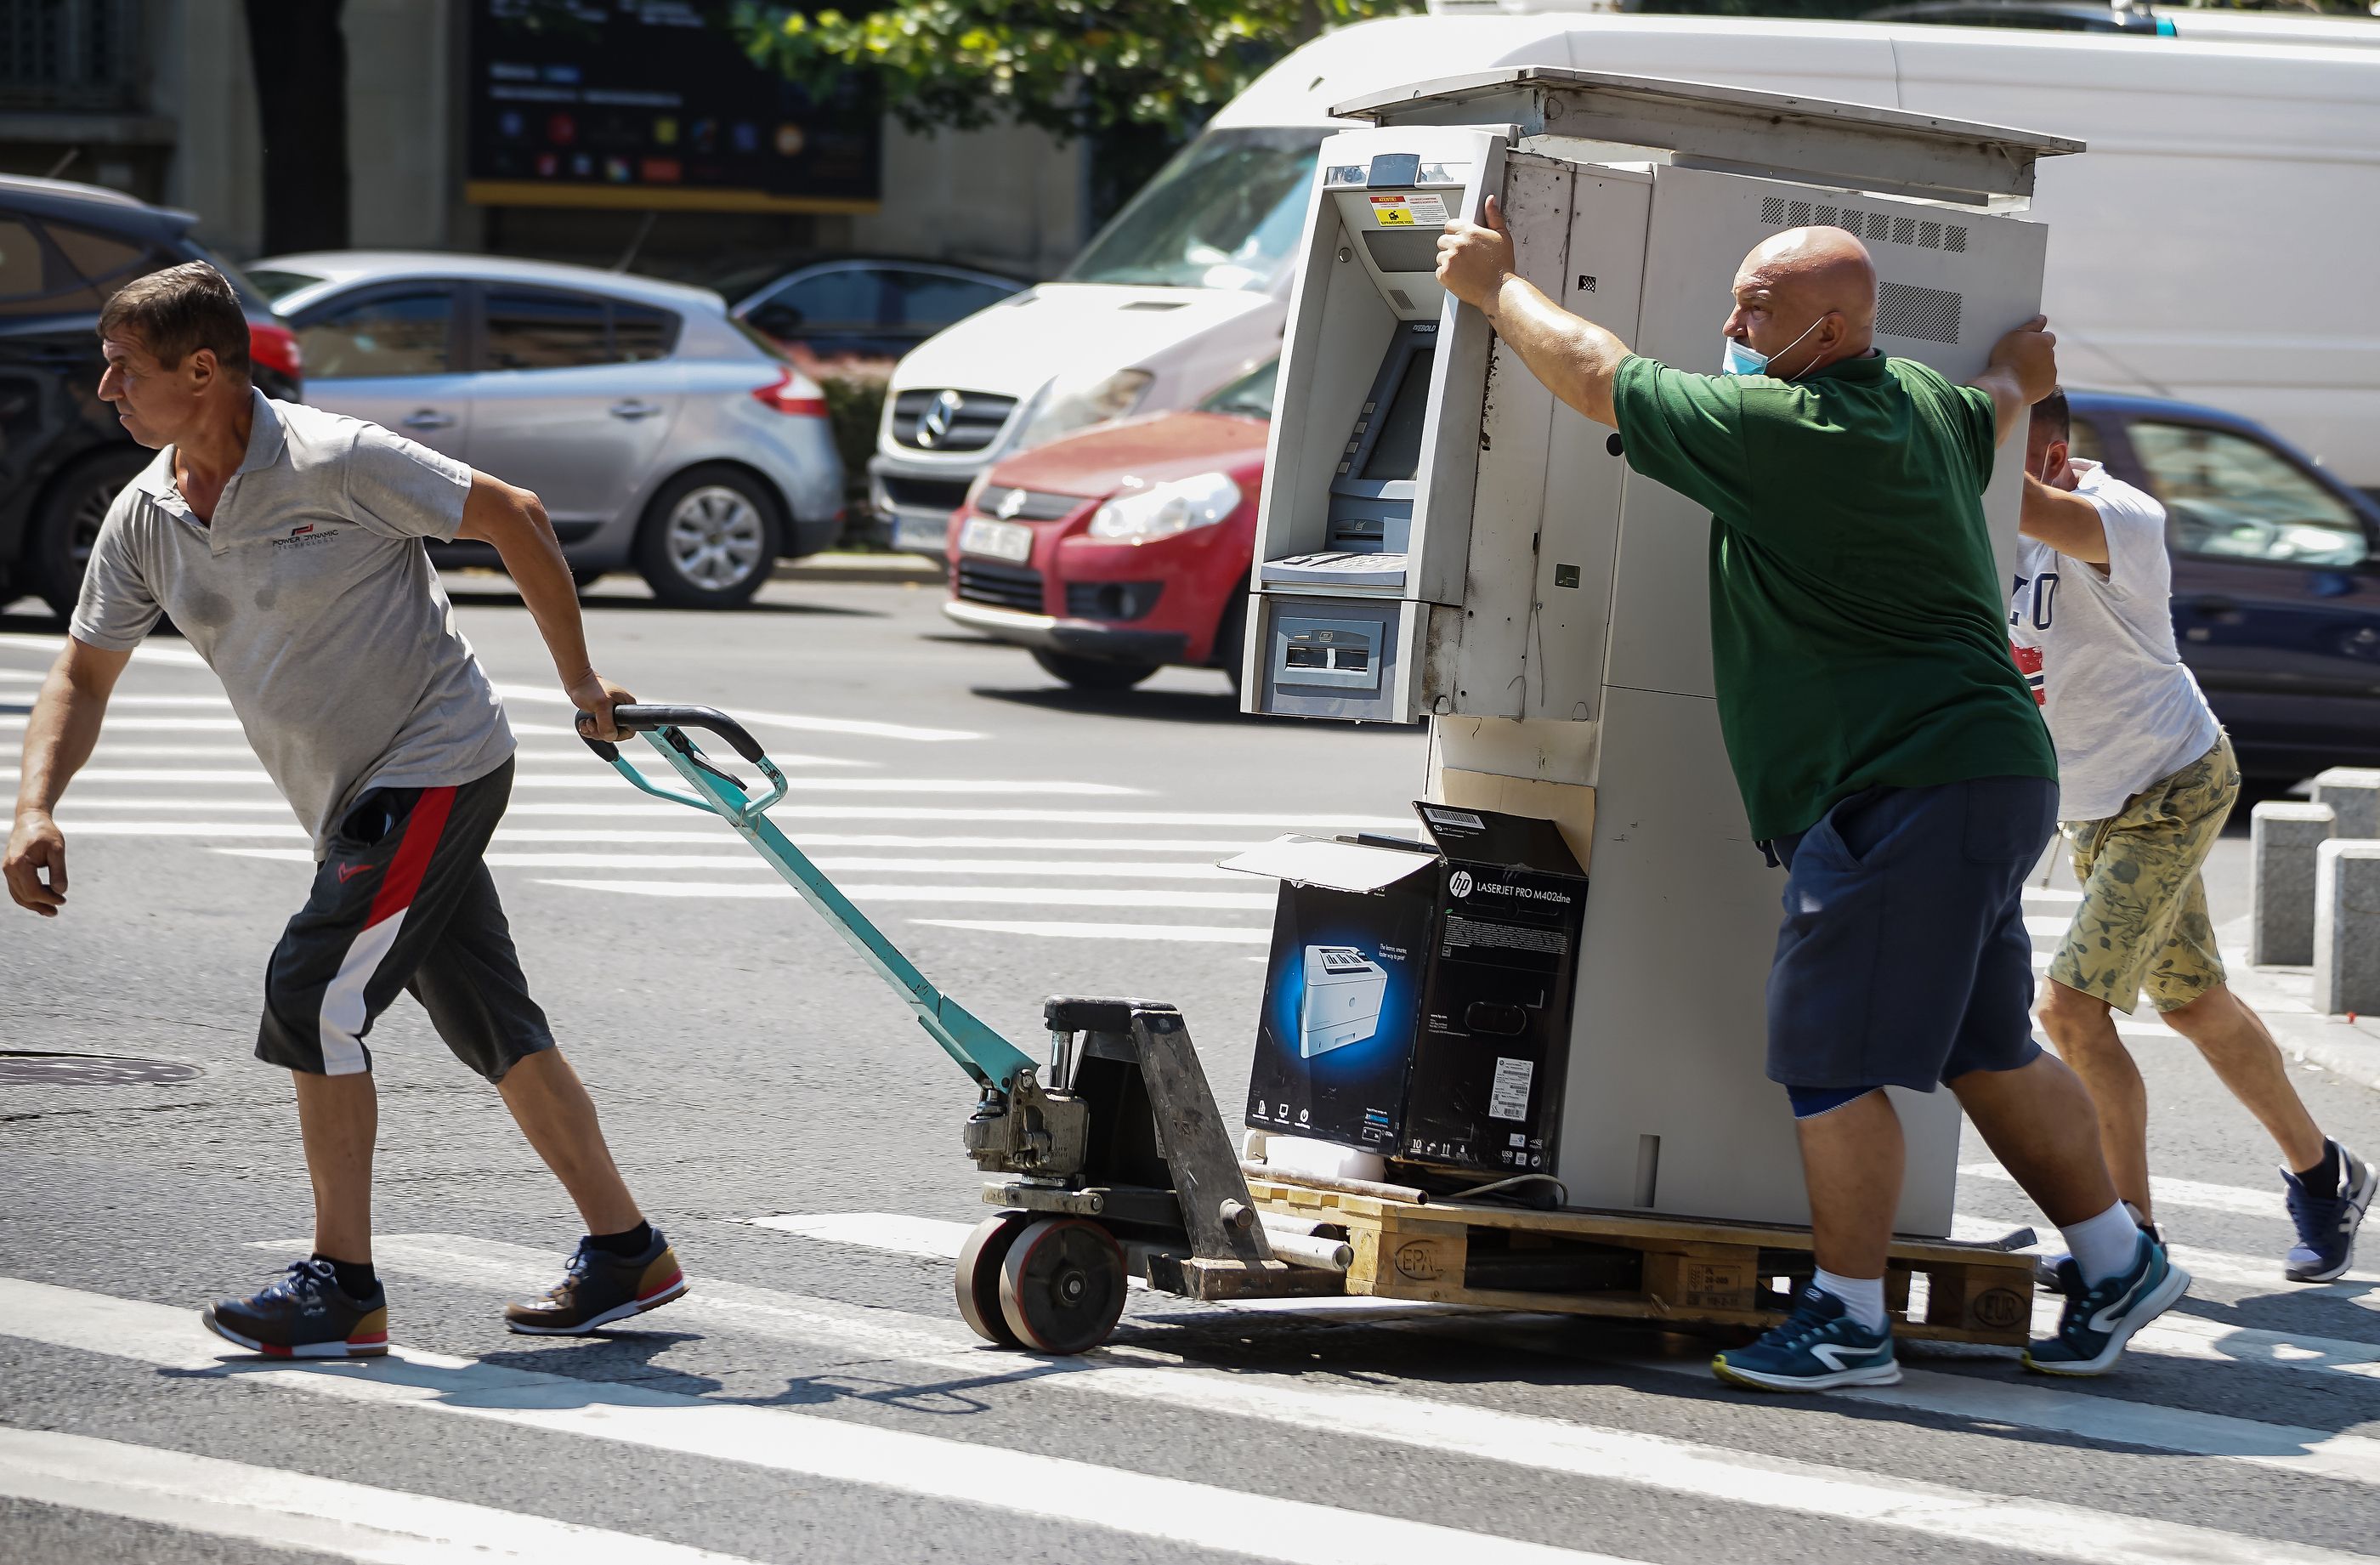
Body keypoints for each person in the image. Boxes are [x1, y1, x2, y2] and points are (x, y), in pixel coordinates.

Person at [1436, 206, 2185, 1391]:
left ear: (1830, 330)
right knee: (1984, 1043)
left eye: (1759, 312)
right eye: (1735, 299)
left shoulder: (1784, 428)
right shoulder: (1924, 408)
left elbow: (1595, 376)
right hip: (1984, 771)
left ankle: (1847, 1320)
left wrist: (1493, 287)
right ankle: (2114, 1256)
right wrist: (2020, 372)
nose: (1733, 326)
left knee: (1828, 1052)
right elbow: (1991, 405)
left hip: (1906, 782)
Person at [3, 262, 688, 1356]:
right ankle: (627, 1248)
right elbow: (81, 675)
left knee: (312, 989)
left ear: (202, 367)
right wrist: (35, 806)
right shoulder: (146, 514)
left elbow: (513, 515)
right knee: (490, 1024)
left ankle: (343, 1282)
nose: (104, 388)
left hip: (437, 761)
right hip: (349, 796)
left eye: (124, 368)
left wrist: (581, 684)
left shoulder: (336, 457)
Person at [2012, 390, 2372, 1281]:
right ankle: (2325, 1175)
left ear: (2053, 460)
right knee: (2193, 1002)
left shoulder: (2122, 516)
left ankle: (2125, 1244)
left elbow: (2005, 501)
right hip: (2093, 800)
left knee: (2069, 1010)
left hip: (2172, 783)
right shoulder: (1990, 527)